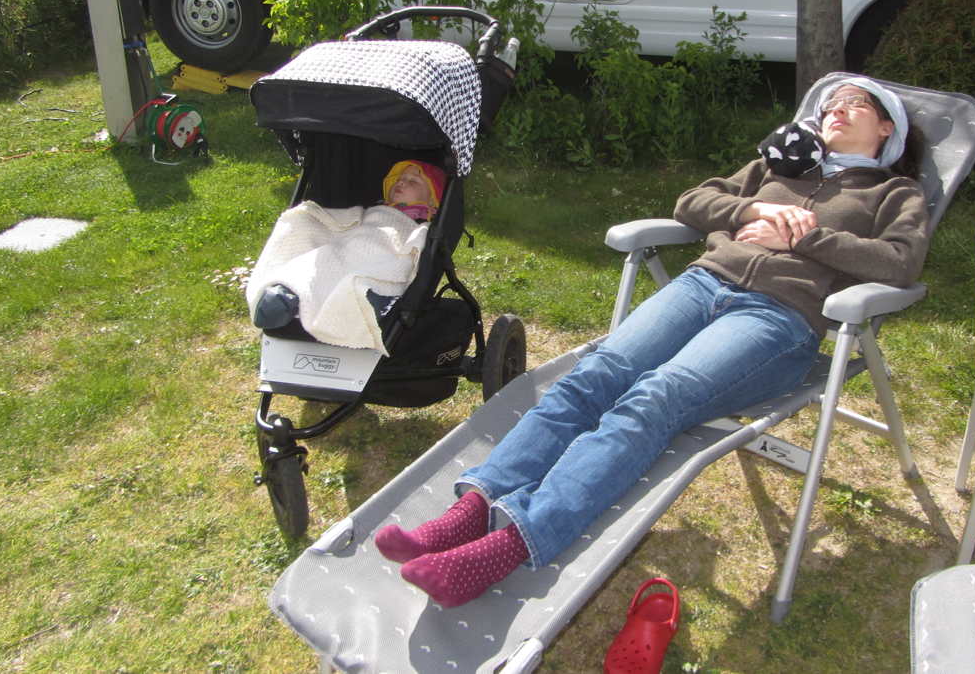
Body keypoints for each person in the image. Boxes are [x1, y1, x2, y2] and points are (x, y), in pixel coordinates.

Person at [373, 77, 930, 608]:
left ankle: (511, 543)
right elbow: (693, 202)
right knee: (595, 374)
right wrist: (754, 208)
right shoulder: (781, 163)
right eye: (831, 102)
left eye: (855, 103)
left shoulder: (894, 191)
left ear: (887, 128)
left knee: (655, 398)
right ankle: (473, 508)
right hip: (702, 284)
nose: (837, 108)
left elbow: (901, 263)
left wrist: (805, 237)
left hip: (778, 318)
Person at [246, 160, 448, 348]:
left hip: (380, 254)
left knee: (366, 275)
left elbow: (413, 248)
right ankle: (285, 294)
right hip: (348, 243)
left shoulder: (422, 223)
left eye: (413, 181)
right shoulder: (376, 208)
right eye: (399, 179)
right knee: (319, 253)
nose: (401, 182)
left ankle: (358, 303)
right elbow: (349, 221)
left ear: (432, 201)